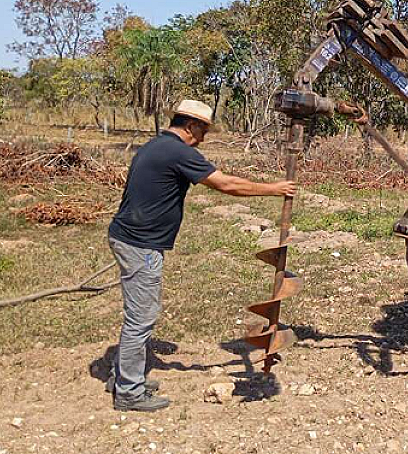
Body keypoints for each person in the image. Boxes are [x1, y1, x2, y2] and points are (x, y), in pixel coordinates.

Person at [107, 100, 297, 412]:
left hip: (132, 239)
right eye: (203, 130)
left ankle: (125, 378)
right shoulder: (178, 152)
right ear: (191, 125)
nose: (204, 137)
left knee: (138, 315)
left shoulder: (156, 146)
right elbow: (225, 184)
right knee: (141, 318)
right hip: (140, 245)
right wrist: (275, 189)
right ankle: (128, 391)